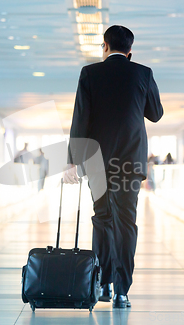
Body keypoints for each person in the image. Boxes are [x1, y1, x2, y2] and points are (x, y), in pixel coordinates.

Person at [63, 25, 163, 308]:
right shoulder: (142, 73)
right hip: (130, 163)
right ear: (130, 52)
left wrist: (72, 161)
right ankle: (122, 291)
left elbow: (80, 117)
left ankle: (103, 284)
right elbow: (156, 114)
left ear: (104, 47)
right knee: (125, 223)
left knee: (102, 218)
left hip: (97, 162)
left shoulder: (90, 73)